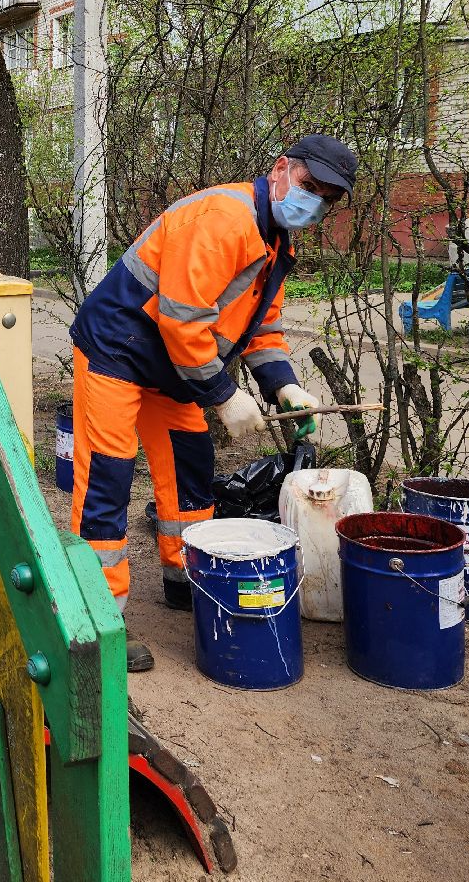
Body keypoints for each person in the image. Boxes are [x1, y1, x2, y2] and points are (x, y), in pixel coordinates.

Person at [69, 135, 358, 671]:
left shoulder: (277, 245)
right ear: (280, 169)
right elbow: (182, 319)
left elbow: (262, 327)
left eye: (327, 198)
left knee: (191, 465)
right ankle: (96, 619)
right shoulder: (225, 219)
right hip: (116, 349)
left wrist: (284, 385)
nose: (314, 202)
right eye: (309, 185)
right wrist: (225, 396)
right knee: (108, 474)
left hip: (170, 368)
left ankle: (186, 578)